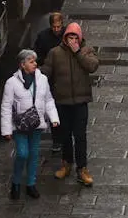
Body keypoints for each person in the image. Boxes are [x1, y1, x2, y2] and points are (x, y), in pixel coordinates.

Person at [42, 22, 99, 187]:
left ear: (80, 38)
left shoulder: (87, 51)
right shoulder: (55, 53)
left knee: (80, 136)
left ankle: (82, 168)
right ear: (65, 38)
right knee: (64, 135)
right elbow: (46, 71)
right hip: (62, 101)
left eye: (75, 37)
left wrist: (78, 53)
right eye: (69, 37)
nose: (72, 40)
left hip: (80, 102)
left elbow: (93, 66)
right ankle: (67, 163)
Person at [1, 48, 59, 200]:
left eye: (35, 61)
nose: (35, 64)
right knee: (22, 153)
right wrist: (6, 129)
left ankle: (31, 184)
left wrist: (54, 118)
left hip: (36, 123)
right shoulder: (12, 83)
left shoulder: (42, 80)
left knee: (33, 154)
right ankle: (16, 182)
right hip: (20, 125)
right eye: (31, 61)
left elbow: (48, 100)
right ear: (22, 64)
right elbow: (6, 106)